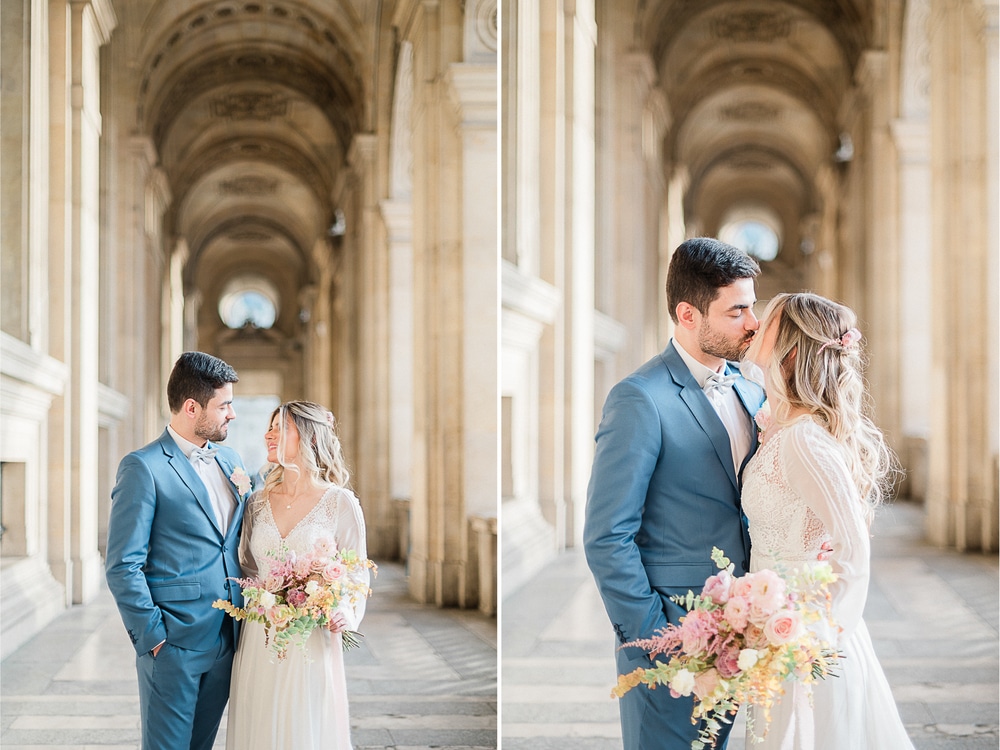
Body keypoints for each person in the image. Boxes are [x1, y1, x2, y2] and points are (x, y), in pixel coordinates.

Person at [584, 237, 766, 749]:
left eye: (752, 305)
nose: (753, 322)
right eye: (738, 310)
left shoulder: (753, 391)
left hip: (752, 636)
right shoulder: (639, 399)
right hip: (673, 633)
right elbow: (606, 535)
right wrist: (653, 639)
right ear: (688, 314)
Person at [739, 292, 914, 749]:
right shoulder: (781, 427)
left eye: (770, 323)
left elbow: (853, 549)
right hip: (774, 630)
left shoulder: (805, 442)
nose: (756, 326)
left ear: (792, 351)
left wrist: (816, 636)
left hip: (807, 646)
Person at [106, 351, 250, 750]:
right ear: (192, 408)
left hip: (227, 638)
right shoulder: (143, 467)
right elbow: (122, 564)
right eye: (225, 405)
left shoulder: (231, 461)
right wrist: (154, 639)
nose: (232, 415)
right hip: (173, 645)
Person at [226, 400, 370, 750]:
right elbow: (245, 565)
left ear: (309, 438)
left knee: (306, 727)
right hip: (261, 635)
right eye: (270, 427)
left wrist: (343, 611)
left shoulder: (340, 502)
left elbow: (356, 573)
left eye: (281, 428)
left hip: (312, 637)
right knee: (259, 723)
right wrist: (265, 596)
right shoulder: (256, 502)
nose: (268, 435)